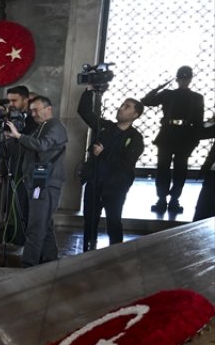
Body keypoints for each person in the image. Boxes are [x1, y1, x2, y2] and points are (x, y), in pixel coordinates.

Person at [3, 95, 66, 267]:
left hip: (47, 184)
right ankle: (50, 261)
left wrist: (19, 136)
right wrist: (12, 139)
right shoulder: (40, 127)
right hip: (37, 182)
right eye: (31, 110)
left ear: (48, 109)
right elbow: (27, 147)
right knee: (45, 224)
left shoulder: (55, 126)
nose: (33, 114)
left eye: (36, 110)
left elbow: (43, 145)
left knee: (36, 226)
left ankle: (28, 265)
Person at [76, 88, 143, 249]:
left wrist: (104, 153)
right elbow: (84, 111)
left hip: (115, 188)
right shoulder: (105, 126)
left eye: (127, 107)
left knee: (113, 221)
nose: (121, 108)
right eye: (122, 105)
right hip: (94, 183)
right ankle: (87, 251)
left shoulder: (135, 138)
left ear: (135, 115)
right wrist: (89, 90)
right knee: (90, 221)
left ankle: (116, 254)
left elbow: (126, 164)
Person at [142, 66, 205, 214]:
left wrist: (195, 140)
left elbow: (198, 121)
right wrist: (161, 86)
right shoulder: (167, 94)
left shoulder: (197, 97)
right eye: (181, 78)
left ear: (190, 79)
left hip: (185, 136)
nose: (183, 81)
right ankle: (162, 199)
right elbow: (146, 101)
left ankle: (175, 199)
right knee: (162, 169)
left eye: (186, 78)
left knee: (180, 170)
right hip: (167, 134)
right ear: (177, 79)